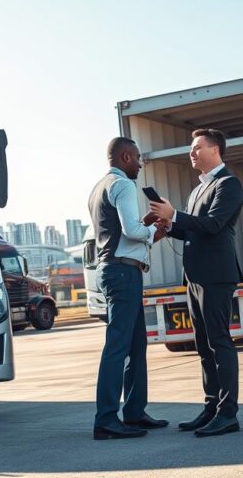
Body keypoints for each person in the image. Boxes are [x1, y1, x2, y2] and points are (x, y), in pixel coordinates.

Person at [149, 128, 243, 438]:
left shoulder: (228, 185)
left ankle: (228, 413)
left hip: (216, 275)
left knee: (219, 342)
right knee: (203, 346)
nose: (191, 153)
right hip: (195, 276)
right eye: (191, 148)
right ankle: (211, 407)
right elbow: (194, 230)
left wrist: (175, 214)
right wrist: (170, 225)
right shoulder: (198, 189)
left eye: (197, 147)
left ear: (215, 149)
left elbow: (214, 225)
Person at [87, 137, 168, 440]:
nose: (140, 163)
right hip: (122, 273)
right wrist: (151, 229)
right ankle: (107, 420)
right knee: (118, 347)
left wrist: (149, 228)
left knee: (135, 346)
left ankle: (134, 413)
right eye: (136, 158)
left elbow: (123, 231)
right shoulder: (123, 185)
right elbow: (133, 231)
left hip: (116, 270)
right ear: (124, 157)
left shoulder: (98, 188)